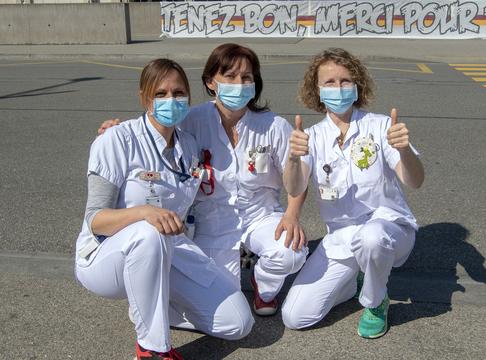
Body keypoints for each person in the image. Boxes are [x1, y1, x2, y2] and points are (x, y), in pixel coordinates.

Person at [99, 43, 308, 317]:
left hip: (261, 214)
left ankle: (264, 285)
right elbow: (153, 130)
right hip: (212, 221)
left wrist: (292, 215)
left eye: (246, 78)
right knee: (224, 304)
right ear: (211, 82)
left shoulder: (273, 126)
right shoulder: (192, 120)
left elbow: (297, 182)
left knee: (289, 253)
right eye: (230, 77)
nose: (239, 84)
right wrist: (115, 130)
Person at [75, 59, 253, 360]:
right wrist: (144, 212)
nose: (171, 100)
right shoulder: (118, 139)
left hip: (171, 250)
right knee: (147, 234)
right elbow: (96, 220)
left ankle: (151, 306)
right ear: (145, 97)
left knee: (238, 323)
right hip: (108, 256)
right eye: (161, 94)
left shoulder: (190, 146)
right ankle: (152, 348)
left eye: (179, 93)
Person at [281, 48, 424, 339]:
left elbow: (415, 180)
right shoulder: (312, 137)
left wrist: (404, 150)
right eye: (330, 82)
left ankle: (375, 301)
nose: (339, 88)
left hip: (389, 230)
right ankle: (352, 280)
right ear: (317, 90)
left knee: (371, 238)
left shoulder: (382, 126)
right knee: (296, 316)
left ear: (357, 85)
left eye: (346, 80)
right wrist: (294, 159)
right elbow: (295, 188)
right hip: (341, 239)